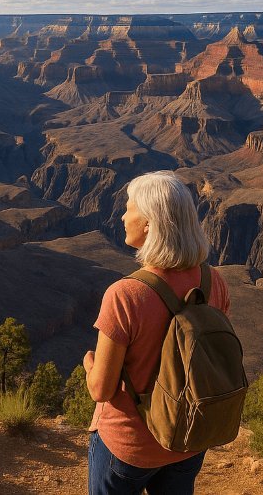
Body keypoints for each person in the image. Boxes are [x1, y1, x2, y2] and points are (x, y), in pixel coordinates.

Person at [83, 170, 230, 495]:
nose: (122, 215)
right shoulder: (213, 282)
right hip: (188, 438)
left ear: (149, 223)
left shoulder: (125, 294)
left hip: (130, 446)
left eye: (129, 207)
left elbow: (102, 391)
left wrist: (89, 363)